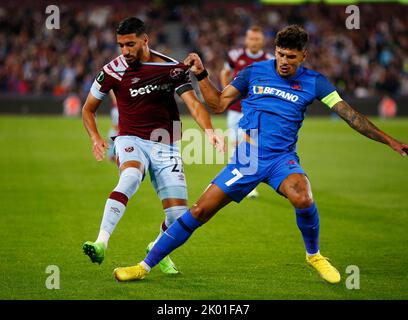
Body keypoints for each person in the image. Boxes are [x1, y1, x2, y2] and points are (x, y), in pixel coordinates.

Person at [113, 25, 408, 284]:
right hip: (247, 159)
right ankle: (144, 266)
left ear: (303, 56)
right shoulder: (254, 72)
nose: (283, 61)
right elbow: (217, 104)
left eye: (291, 57)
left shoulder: (315, 81)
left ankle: (314, 255)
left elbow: (350, 116)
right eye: (280, 54)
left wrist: (390, 141)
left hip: (281, 160)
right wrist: (201, 74)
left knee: (303, 196)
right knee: (200, 211)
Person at [81, 17, 224, 275]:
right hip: (130, 138)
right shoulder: (112, 70)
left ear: (145, 40)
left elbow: (193, 104)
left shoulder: (170, 68)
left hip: (166, 143)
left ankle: (156, 246)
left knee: (178, 218)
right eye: (121, 45)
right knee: (131, 176)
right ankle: (101, 241)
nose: (125, 51)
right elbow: (88, 109)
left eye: (130, 44)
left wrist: (210, 132)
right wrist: (95, 137)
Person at [220, 26, 272, 198]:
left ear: (262, 41)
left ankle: (249, 184)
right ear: (246, 40)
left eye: (257, 39)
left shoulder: (270, 60)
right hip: (235, 109)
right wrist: (226, 93)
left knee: (249, 146)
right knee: (234, 145)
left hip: (255, 111)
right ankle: (232, 180)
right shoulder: (235, 55)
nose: (254, 42)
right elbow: (224, 72)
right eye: (251, 38)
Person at [107, 91, 119, 163]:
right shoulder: (116, 110)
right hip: (115, 133)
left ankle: (111, 156)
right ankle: (112, 157)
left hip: (112, 132)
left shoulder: (114, 109)